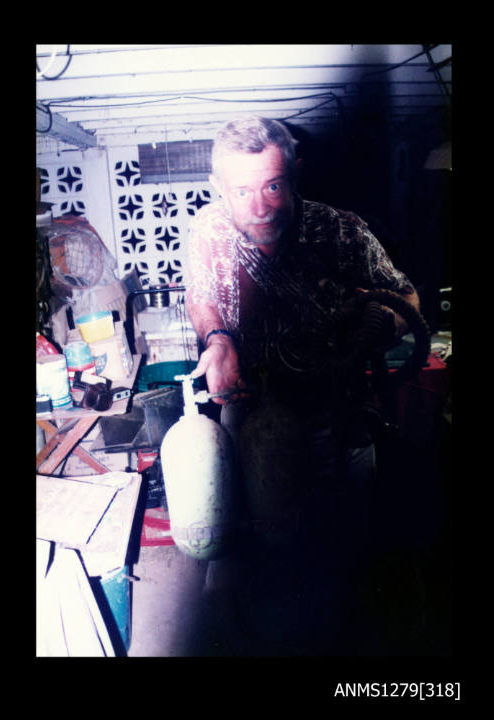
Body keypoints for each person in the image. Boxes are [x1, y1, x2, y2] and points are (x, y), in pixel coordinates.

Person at [184, 115, 421, 654]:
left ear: (293, 176)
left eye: (273, 185)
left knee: (348, 543)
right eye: (242, 191)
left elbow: (406, 298)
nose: (261, 206)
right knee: (255, 548)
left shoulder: (342, 230)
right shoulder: (208, 229)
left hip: (340, 408)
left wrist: (389, 320)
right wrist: (218, 340)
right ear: (219, 189)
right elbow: (201, 295)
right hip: (252, 405)